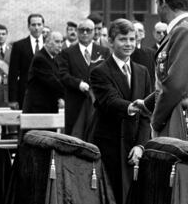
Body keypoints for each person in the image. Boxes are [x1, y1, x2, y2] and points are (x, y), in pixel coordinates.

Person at [135, 0, 188, 145]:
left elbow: (175, 86)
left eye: (156, 2)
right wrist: (147, 104)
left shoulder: (183, 31)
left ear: (163, 2)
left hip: (179, 118)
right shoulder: (182, 29)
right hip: (176, 112)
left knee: (175, 169)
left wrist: (156, 120)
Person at [90, 19, 151, 204]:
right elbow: (110, 101)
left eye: (132, 39)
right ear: (110, 41)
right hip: (110, 147)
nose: (129, 44)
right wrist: (133, 106)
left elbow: (147, 115)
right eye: (123, 39)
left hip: (135, 149)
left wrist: (141, 145)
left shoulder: (143, 72)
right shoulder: (99, 71)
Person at [57, 19, 110, 135]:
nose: (85, 33)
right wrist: (78, 84)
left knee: (96, 135)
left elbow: (109, 74)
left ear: (94, 32)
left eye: (88, 30)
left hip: (97, 103)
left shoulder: (103, 52)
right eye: (82, 30)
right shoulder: (67, 52)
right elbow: (63, 75)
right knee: (75, 137)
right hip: (76, 102)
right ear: (77, 31)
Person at [8, 13, 44, 109]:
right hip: (25, 94)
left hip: (47, 94)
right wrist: (12, 99)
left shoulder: (49, 44)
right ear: (28, 26)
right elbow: (13, 74)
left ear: (43, 26)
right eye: (33, 25)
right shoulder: (19, 46)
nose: (36, 28)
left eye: (39, 24)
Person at [23, 31, 65, 113]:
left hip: (47, 107)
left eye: (61, 42)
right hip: (37, 109)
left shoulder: (53, 58)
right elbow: (53, 82)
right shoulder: (40, 59)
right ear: (47, 42)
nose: (60, 45)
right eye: (57, 42)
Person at [131, 21, 155, 85]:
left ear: (144, 34)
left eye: (140, 30)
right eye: (134, 30)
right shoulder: (124, 52)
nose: (137, 33)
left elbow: (153, 76)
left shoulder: (151, 53)